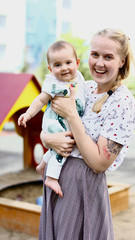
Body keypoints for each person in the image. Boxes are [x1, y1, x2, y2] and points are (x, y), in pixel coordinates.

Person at [39, 28, 135, 240]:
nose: (99, 63)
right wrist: (46, 138)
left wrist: (72, 115)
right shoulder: (83, 86)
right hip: (56, 180)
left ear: (121, 61)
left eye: (108, 57)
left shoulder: (122, 103)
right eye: (95, 55)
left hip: (82, 189)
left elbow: (99, 163)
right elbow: (51, 122)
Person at [18, 40, 85, 198]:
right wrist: (28, 114)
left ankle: (42, 165)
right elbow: (40, 100)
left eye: (68, 62)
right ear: (50, 68)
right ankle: (51, 178)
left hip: (67, 120)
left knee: (58, 147)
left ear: (77, 63)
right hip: (55, 122)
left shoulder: (79, 79)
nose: (64, 68)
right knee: (64, 148)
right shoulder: (53, 84)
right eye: (57, 65)